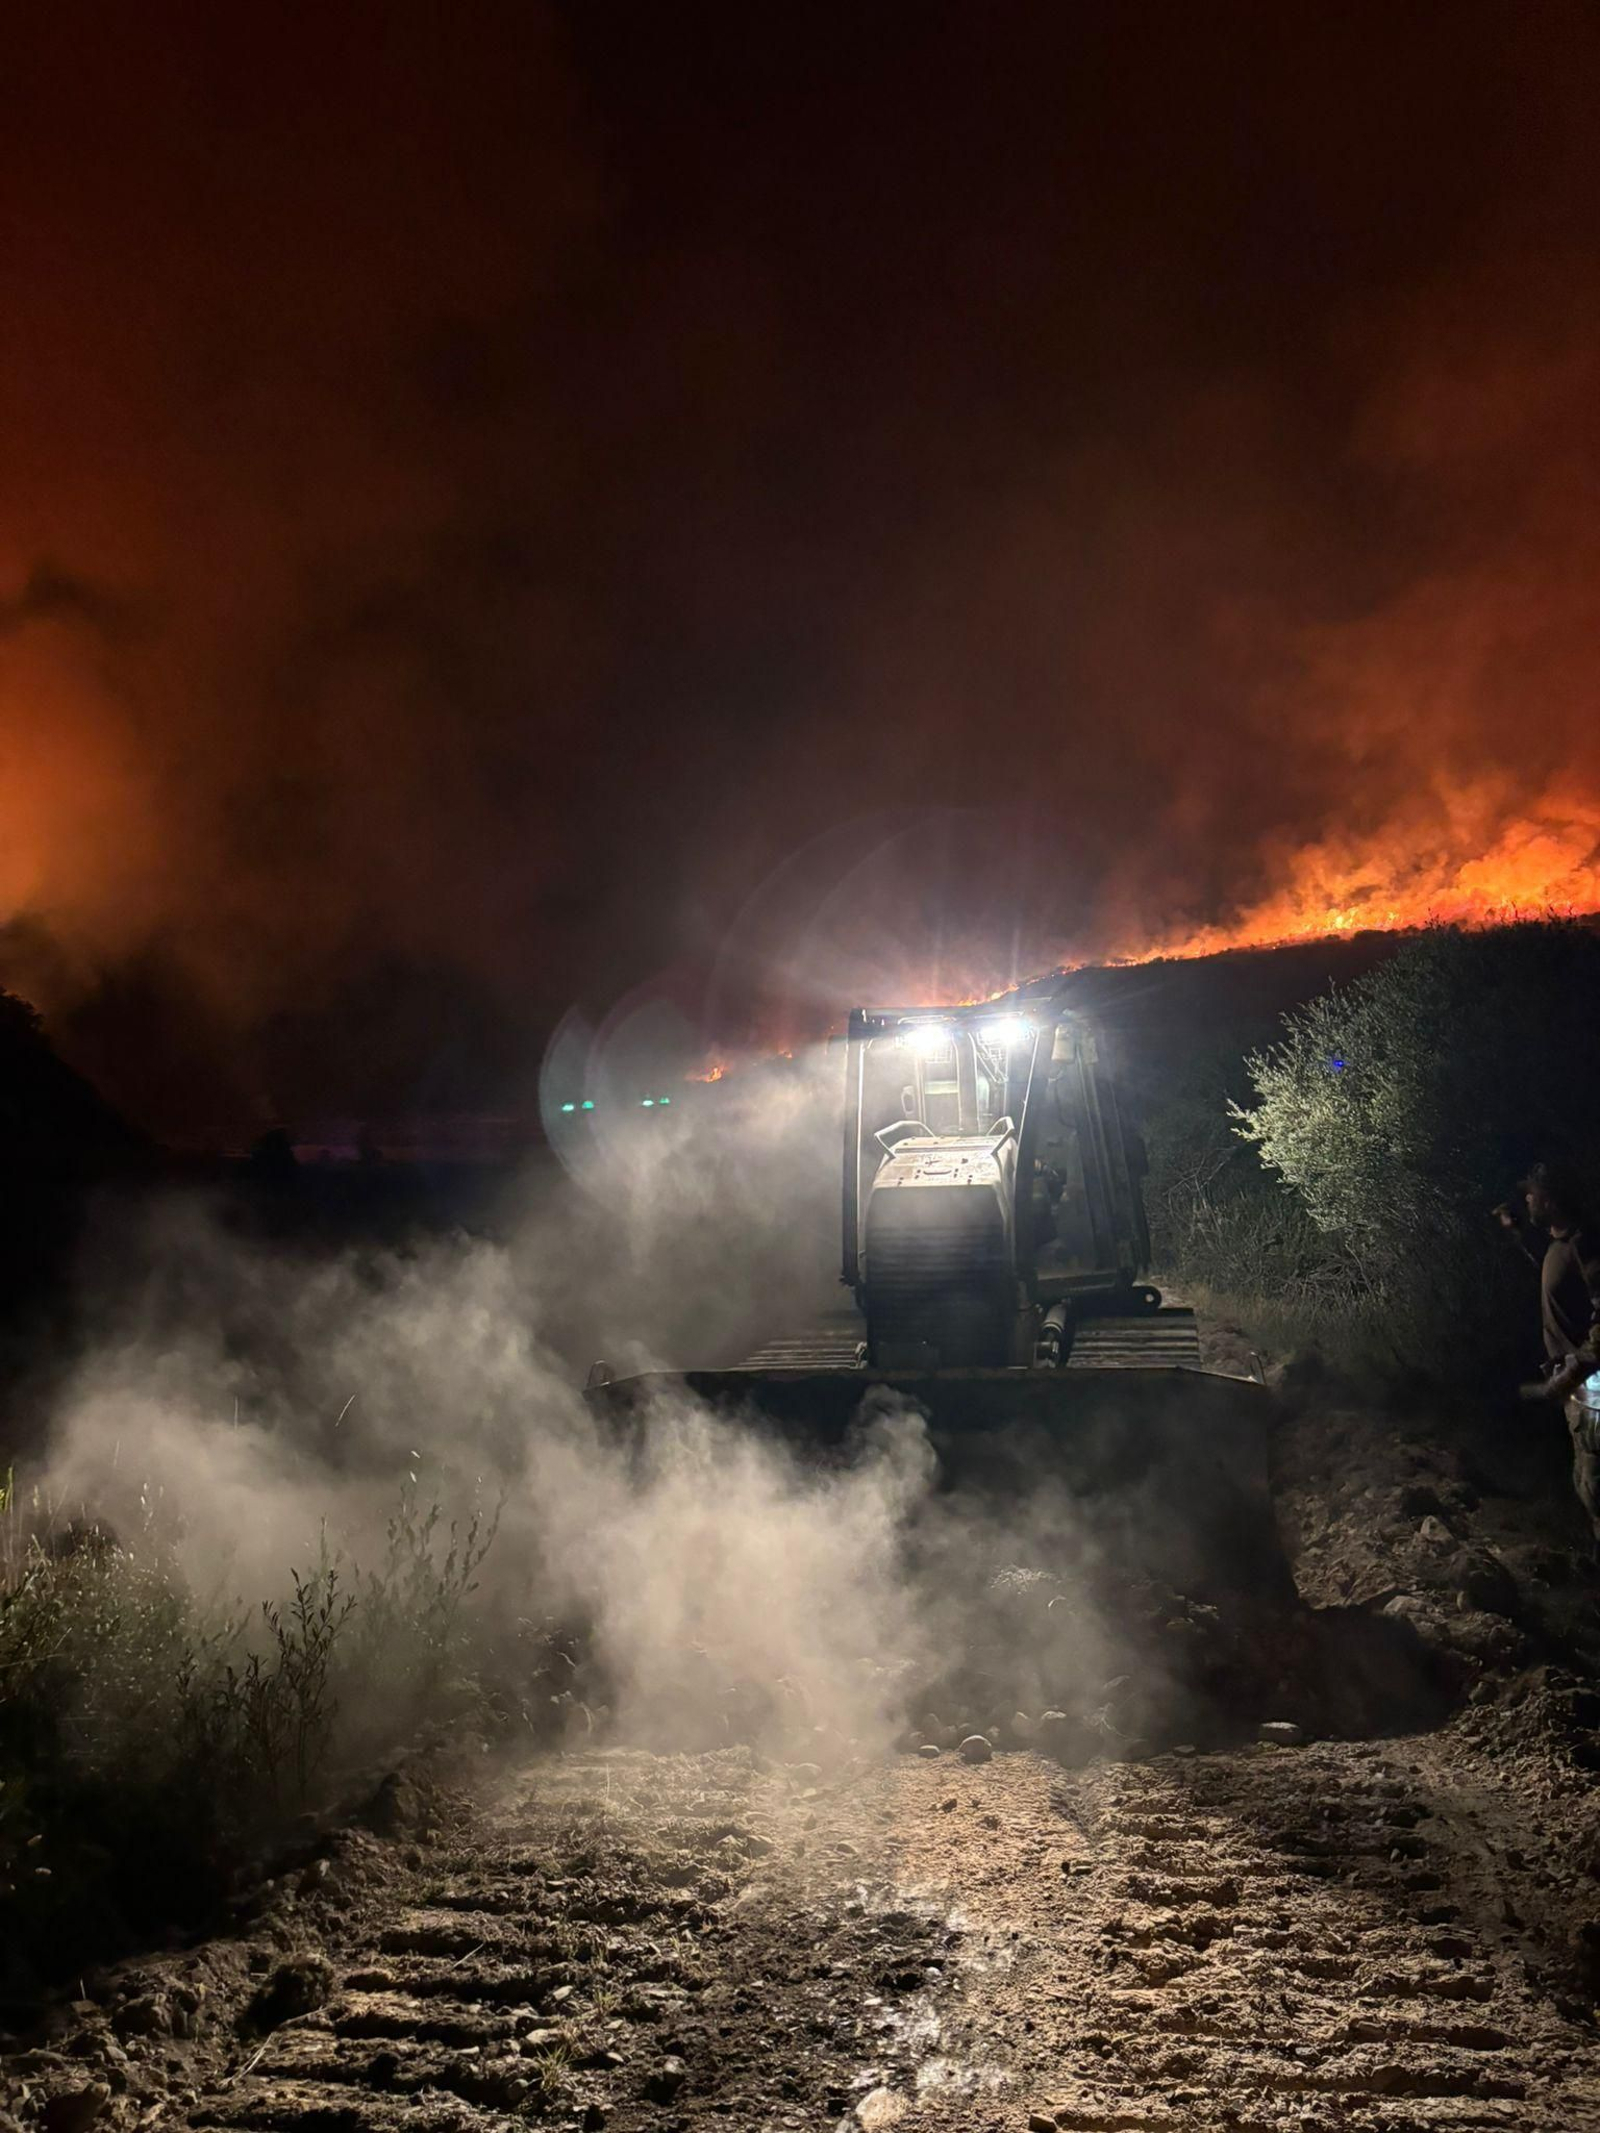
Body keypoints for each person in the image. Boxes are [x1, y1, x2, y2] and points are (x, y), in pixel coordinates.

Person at [1497, 1162, 1600, 1550]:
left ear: (1551, 1199)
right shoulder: (1561, 1244)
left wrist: (1572, 1374)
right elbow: (1555, 1277)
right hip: (1584, 1387)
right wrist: (1517, 1236)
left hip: (1594, 1390)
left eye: (1532, 1194)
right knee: (1586, 1484)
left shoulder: (1584, 1244)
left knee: (1596, 1485)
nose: (1526, 1199)